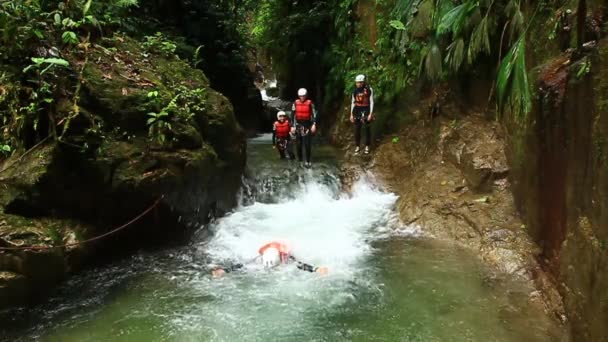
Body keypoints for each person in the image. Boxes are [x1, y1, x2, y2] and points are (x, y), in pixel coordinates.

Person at [210, 241, 328, 278]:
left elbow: (300, 265)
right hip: (270, 252)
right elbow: (242, 265)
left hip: (280, 248)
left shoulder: (285, 255)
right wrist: (224, 270)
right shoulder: (261, 258)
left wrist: (316, 269)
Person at [291, 88, 318, 168]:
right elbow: (292, 115)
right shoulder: (295, 103)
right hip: (299, 125)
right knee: (298, 144)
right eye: (300, 96)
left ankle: (308, 160)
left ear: (306, 96)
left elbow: (314, 114)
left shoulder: (310, 103)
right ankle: (300, 160)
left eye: (303, 96)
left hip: (307, 125)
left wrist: (314, 124)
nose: (302, 97)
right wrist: (293, 126)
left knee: (307, 144)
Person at [349, 74, 374, 155]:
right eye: (357, 83)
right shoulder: (355, 91)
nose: (358, 84)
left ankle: (367, 146)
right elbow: (353, 103)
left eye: (359, 82)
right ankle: (357, 146)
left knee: (367, 129)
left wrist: (370, 113)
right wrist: (351, 114)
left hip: (366, 109)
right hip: (357, 110)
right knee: (357, 129)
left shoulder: (369, 90)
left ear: (363, 82)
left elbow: (371, 101)